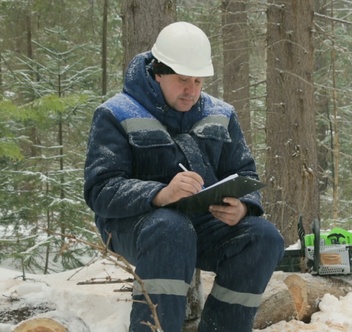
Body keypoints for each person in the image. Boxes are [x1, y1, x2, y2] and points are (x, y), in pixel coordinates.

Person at [84, 21, 284, 332]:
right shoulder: (116, 113)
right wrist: (160, 194)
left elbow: (245, 172)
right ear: (158, 72)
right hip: (133, 223)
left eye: (198, 81)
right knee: (170, 228)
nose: (191, 90)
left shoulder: (222, 114)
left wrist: (243, 206)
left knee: (263, 238)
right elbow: (101, 190)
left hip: (202, 221)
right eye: (182, 80)